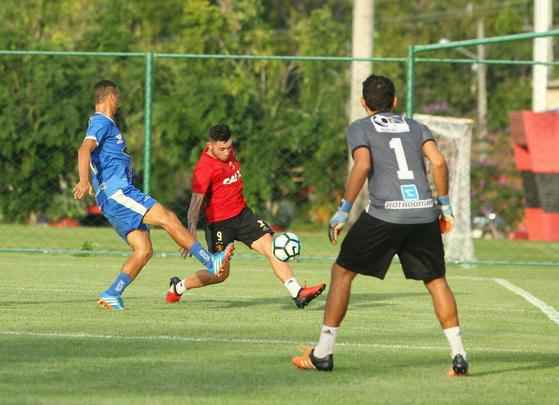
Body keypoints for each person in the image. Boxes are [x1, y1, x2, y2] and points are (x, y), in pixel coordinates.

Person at [291, 74, 468, 376]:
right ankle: (459, 355)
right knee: (436, 281)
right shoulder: (416, 126)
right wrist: (445, 206)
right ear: (395, 102)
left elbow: (363, 165)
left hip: (386, 215)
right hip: (424, 213)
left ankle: (323, 353)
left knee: (342, 272)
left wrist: (343, 211)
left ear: (363, 103)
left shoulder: (360, 127)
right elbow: (438, 163)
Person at [73, 80, 234, 310]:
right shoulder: (102, 122)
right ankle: (210, 261)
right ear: (110, 97)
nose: (119, 102)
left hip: (112, 198)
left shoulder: (105, 124)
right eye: (117, 97)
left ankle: (112, 293)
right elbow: (84, 149)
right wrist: (83, 180)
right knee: (167, 217)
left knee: (144, 250)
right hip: (118, 193)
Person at [165, 124, 326, 309]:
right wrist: (190, 234)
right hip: (220, 225)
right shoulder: (204, 168)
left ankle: (297, 293)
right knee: (219, 274)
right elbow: (195, 204)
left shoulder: (229, 152)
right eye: (222, 149)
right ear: (210, 145)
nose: (227, 152)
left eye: (229, 147)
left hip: (243, 215)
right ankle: (178, 287)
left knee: (272, 248)